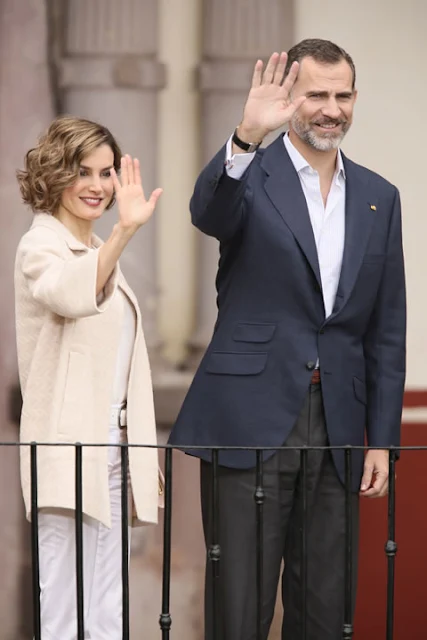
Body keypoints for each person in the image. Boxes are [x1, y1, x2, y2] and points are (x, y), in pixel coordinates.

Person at [168, 39, 406, 639]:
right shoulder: (251, 173)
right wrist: (247, 136)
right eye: (316, 94)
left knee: (328, 611)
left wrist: (381, 440)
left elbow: (386, 330)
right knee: (240, 608)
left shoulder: (381, 196)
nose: (332, 108)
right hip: (248, 418)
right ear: (289, 97)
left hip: (339, 429)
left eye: (343, 94)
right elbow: (208, 213)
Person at [14, 115, 164, 639]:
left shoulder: (95, 251)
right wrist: (123, 231)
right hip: (67, 446)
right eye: (84, 172)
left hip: (113, 448)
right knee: (63, 600)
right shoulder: (42, 245)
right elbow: (69, 295)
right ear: (56, 174)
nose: (98, 187)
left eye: (106, 173)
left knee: (107, 599)